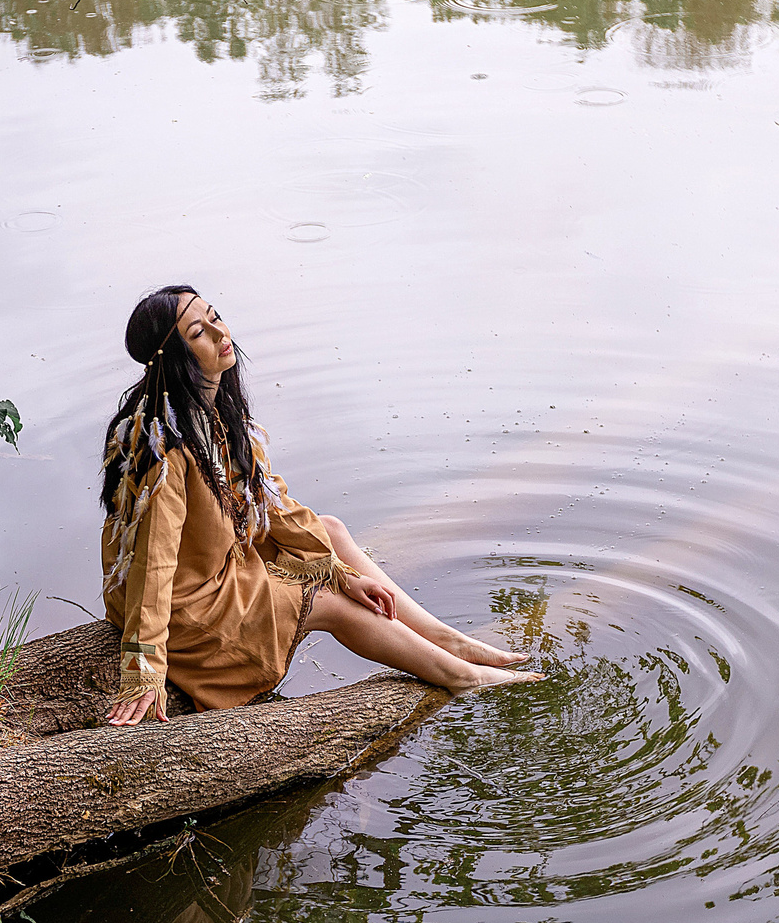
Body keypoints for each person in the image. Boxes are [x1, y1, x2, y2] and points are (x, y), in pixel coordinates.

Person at [100, 285, 541, 726]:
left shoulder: (215, 413)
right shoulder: (164, 451)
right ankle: (461, 675)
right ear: (175, 357)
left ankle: (449, 641)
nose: (219, 332)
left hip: (214, 565)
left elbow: (269, 503)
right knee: (326, 603)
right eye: (199, 331)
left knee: (328, 529)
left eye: (215, 316)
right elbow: (153, 567)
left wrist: (340, 570)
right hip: (186, 607)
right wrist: (143, 670)